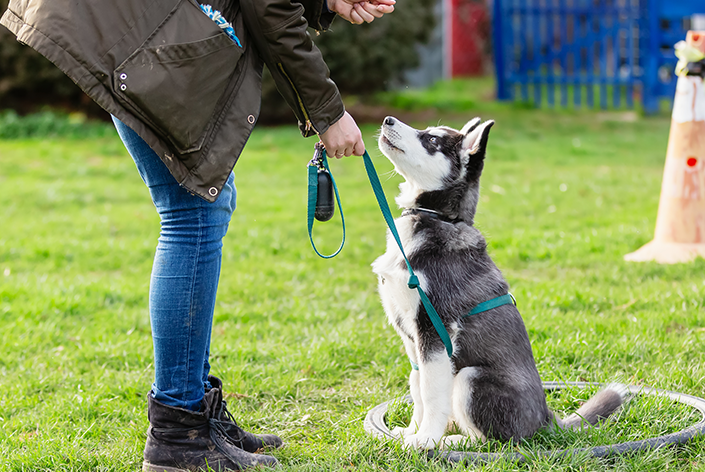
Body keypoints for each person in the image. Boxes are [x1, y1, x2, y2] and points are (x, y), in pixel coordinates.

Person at [1, 0, 394, 470]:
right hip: (128, 28)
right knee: (192, 214)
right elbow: (269, 8)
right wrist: (327, 112)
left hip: (132, 24)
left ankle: (194, 412)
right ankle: (178, 432)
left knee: (206, 204)